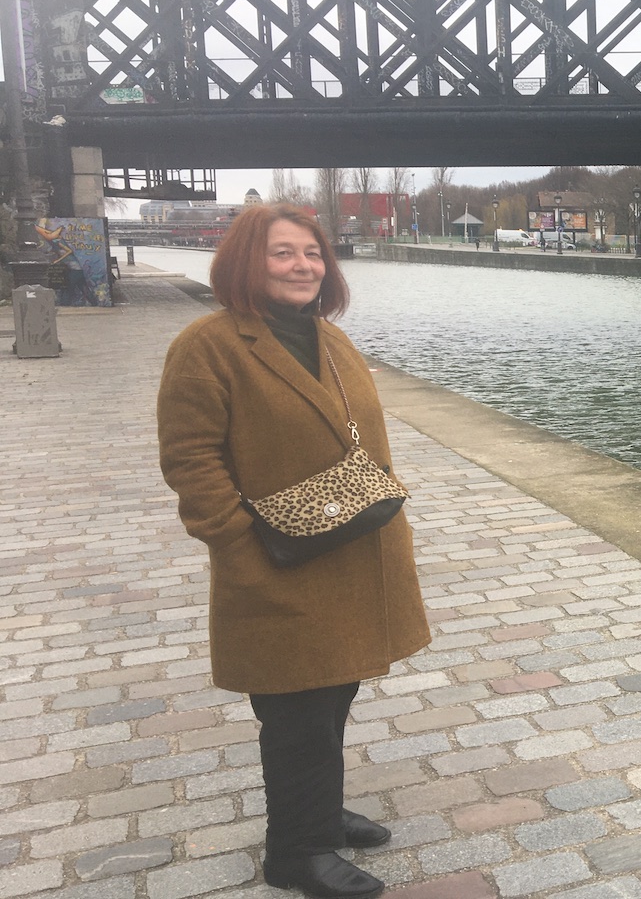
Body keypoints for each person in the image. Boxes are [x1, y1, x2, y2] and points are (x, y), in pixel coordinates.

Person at [157, 205, 430, 899]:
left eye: (312, 254)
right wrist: (238, 542)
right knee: (293, 711)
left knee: (330, 697)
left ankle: (319, 809)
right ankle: (297, 853)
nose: (303, 266)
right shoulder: (209, 344)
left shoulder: (329, 340)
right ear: (247, 262)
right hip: (277, 559)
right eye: (283, 253)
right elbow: (190, 459)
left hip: (351, 551)